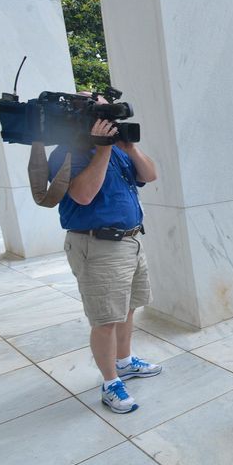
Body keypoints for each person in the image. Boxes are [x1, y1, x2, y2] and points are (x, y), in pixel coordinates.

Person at [47, 106, 160, 414]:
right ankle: (110, 382)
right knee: (105, 319)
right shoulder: (66, 153)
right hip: (97, 245)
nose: (108, 123)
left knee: (127, 308)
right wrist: (102, 151)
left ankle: (124, 362)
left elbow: (150, 174)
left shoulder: (118, 149)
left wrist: (130, 148)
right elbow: (83, 195)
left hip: (130, 242)